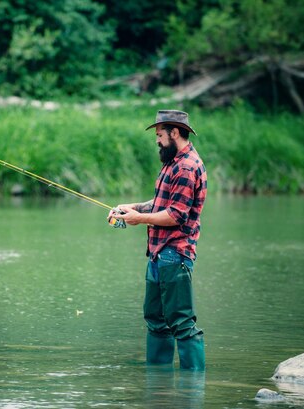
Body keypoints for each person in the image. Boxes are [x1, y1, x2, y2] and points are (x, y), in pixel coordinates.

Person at [109, 110, 207, 370]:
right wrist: (132, 208)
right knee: (155, 319)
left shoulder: (187, 167)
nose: (157, 140)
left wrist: (138, 219)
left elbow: (176, 215)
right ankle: (158, 382)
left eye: (160, 135)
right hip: (157, 254)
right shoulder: (173, 163)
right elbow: (161, 203)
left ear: (175, 133)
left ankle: (193, 385)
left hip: (175, 254)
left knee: (182, 323)